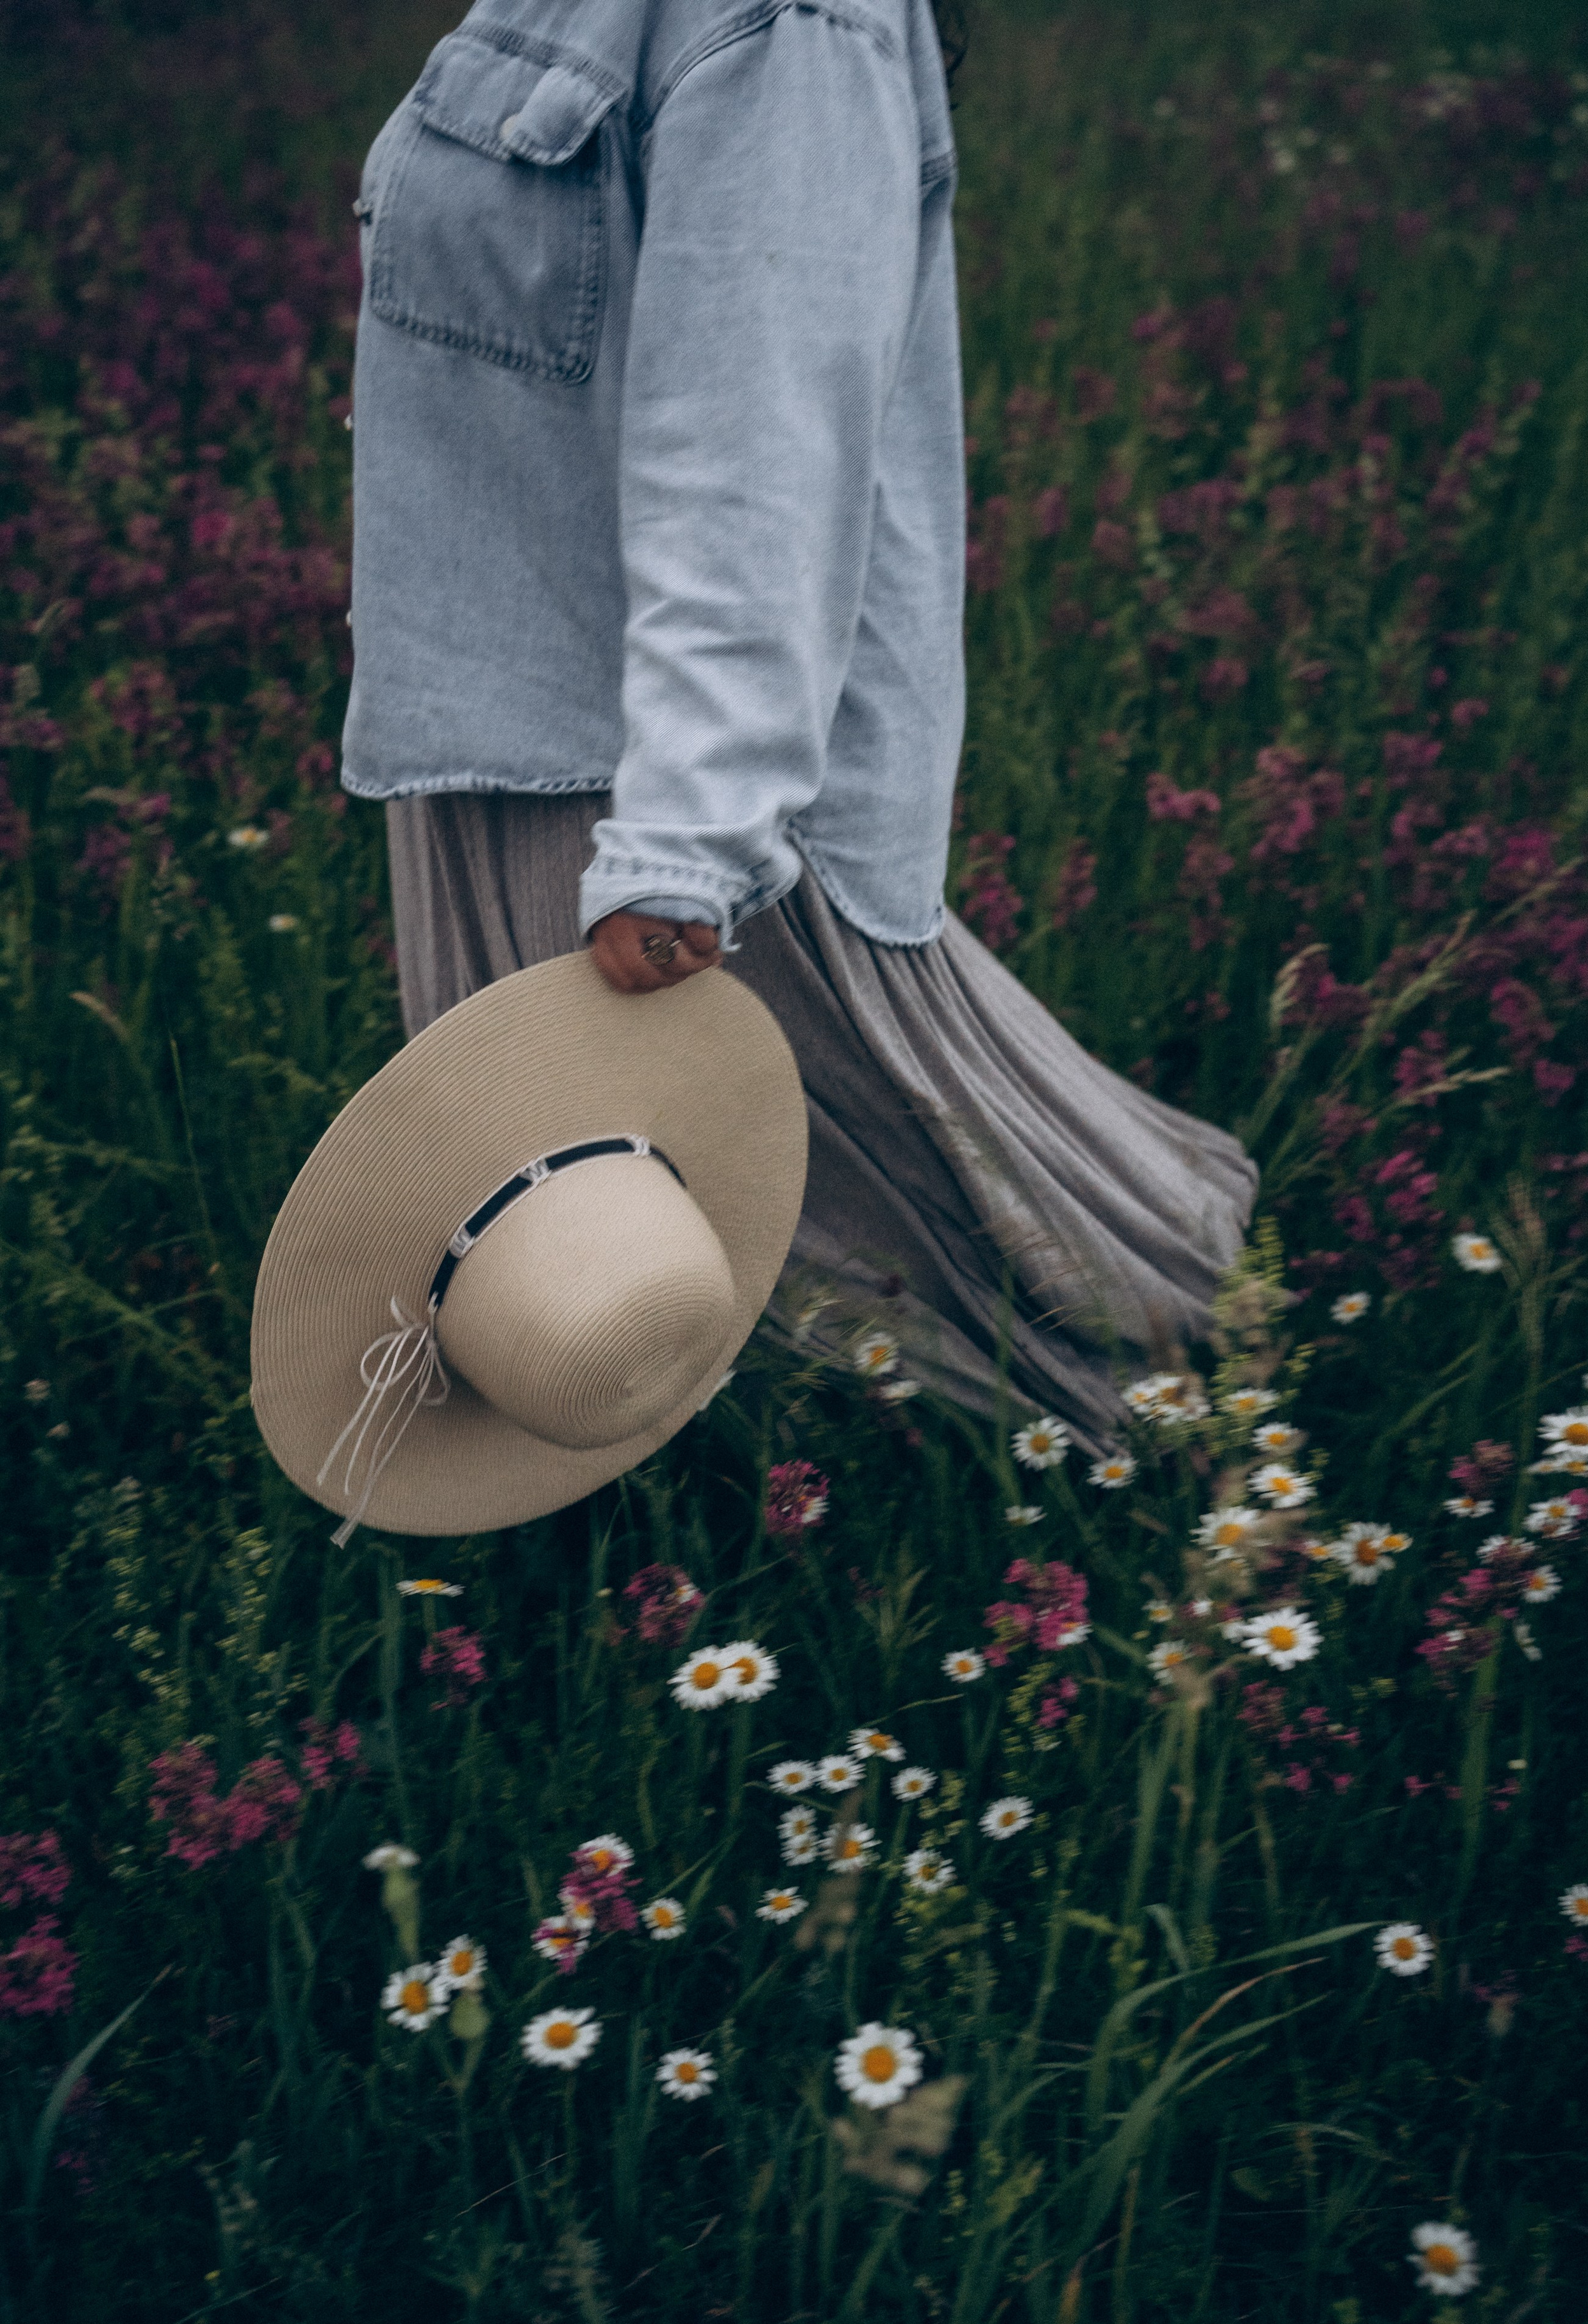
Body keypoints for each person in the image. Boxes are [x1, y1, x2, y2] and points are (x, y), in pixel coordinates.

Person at [341, 0, 1255, 1447]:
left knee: (932, 1331)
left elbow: (754, 446)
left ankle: (1152, 1500)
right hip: (501, 740)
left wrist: (680, 853)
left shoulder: (789, 25)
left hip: (641, 782)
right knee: (602, 1305)